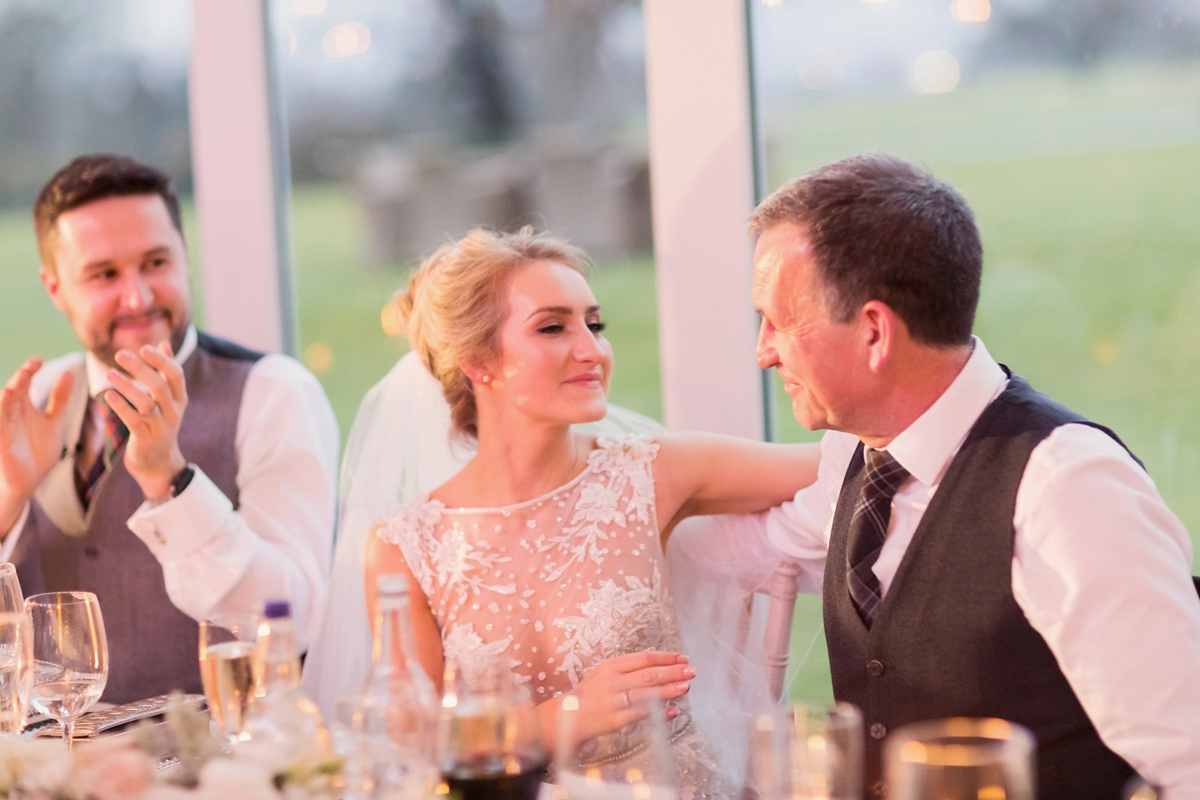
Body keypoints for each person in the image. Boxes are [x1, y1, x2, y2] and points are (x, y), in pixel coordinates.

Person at [753, 154, 1200, 799]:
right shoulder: (854, 459)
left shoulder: (1069, 489)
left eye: (779, 321)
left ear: (875, 332)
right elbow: (748, 547)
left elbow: (1187, 765)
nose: (763, 350)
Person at [359, 227, 819, 798]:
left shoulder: (655, 473)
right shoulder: (406, 546)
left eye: (594, 324)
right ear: (479, 362)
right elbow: (408, 748)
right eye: (554, 327)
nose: (592, 350)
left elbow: (838, 465)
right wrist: (564, 716)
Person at [0, 155, 338, 704]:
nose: (138, 296)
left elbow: (291, 620)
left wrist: (169, 481)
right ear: (56, 288)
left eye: (155, 262)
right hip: (59, 766)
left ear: (184, 257)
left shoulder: (274, 393)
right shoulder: (39, 398)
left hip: (216, 766)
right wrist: (9, 498)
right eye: (105, 274)